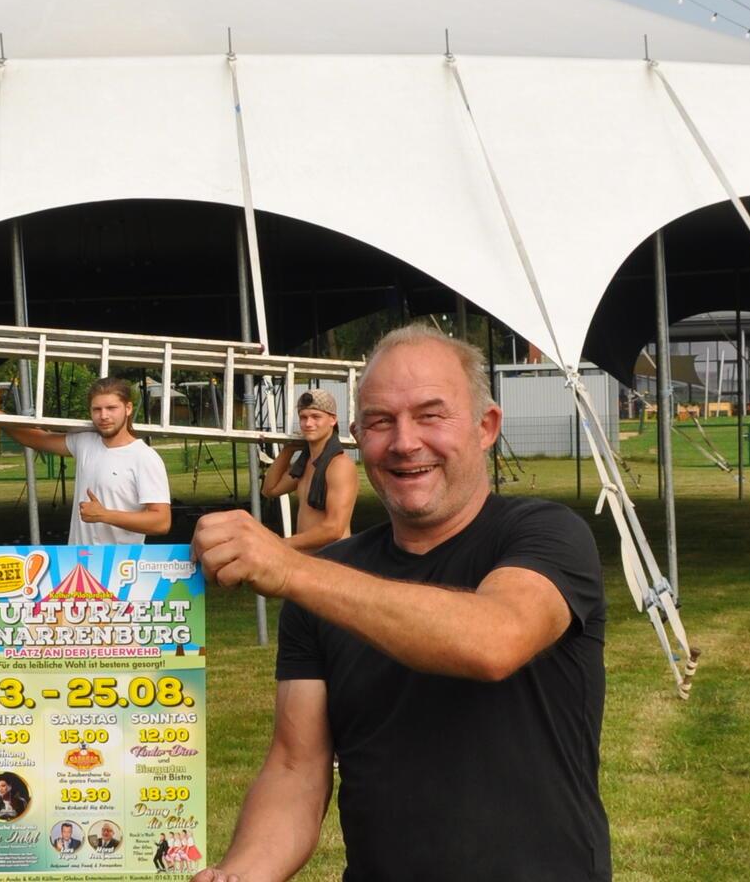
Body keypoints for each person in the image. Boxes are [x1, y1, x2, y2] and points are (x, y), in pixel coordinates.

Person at [190, 324, 609, 882]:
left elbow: (494, 639)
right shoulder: (323, 583)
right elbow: (297, 767)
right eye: (381, 422)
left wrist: (293, 568)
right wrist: (241, 874)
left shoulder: (547, 535)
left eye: (431, 415)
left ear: (486, 428)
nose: (405, 442)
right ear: (360, 438)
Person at [5, 378, 171, 544]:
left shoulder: (144, 457)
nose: (104, 416)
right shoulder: (84, 442)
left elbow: (161, 522)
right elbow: (37, 439)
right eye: (97, 409)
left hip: (120, 565)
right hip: (79, 562)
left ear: (128, 408)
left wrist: (105, 515)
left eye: (111, 408)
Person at [258, 387, 357, 551]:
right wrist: (287, 451)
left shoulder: (339, 465)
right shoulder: (305, 465)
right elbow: (269, 490)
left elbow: (334, 529)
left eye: (316, 417)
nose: (308, 423)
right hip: (307, 561)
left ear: (332, 420)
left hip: (333, 563)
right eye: (303, 417)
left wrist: (283, 544)